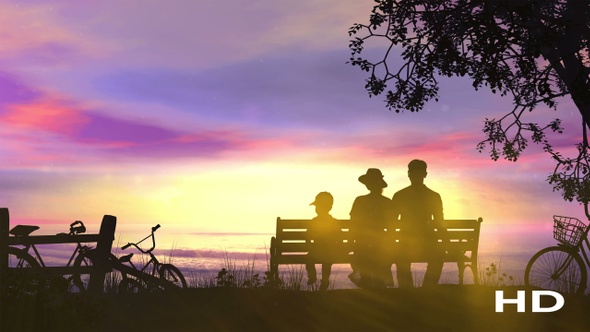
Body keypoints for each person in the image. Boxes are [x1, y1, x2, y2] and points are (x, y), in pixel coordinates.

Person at [391, 159, 445, 288]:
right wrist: (446, 242)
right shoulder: (434, 196)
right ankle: (427, 289)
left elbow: (391, 222)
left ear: (408, 174)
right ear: (425, 174)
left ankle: (407, 291)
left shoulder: (399, 195)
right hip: (428, 241)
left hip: (405, 242)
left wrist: (391, 242)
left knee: (401, 259)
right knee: (438, 258)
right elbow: (439, 223)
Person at [349, 168, 392, 288]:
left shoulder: (360, 201)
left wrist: (350, 242)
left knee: (365, 267)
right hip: (382, 245)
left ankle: (367, 289)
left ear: (368, 185)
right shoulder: (387, 202)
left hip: (362, 245)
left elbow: (354, 224)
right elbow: (391, 227)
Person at [305, 191, 341, 291]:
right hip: (330, 251)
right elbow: (340, 237)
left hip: (316, 250)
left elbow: (307, 236)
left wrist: (310, 245)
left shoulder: (314, 221)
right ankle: (325, 280)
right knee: (327, 262)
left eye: (317, 206)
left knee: (308, 259)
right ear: (330, 207)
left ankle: (312, 276)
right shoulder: (334, 222)